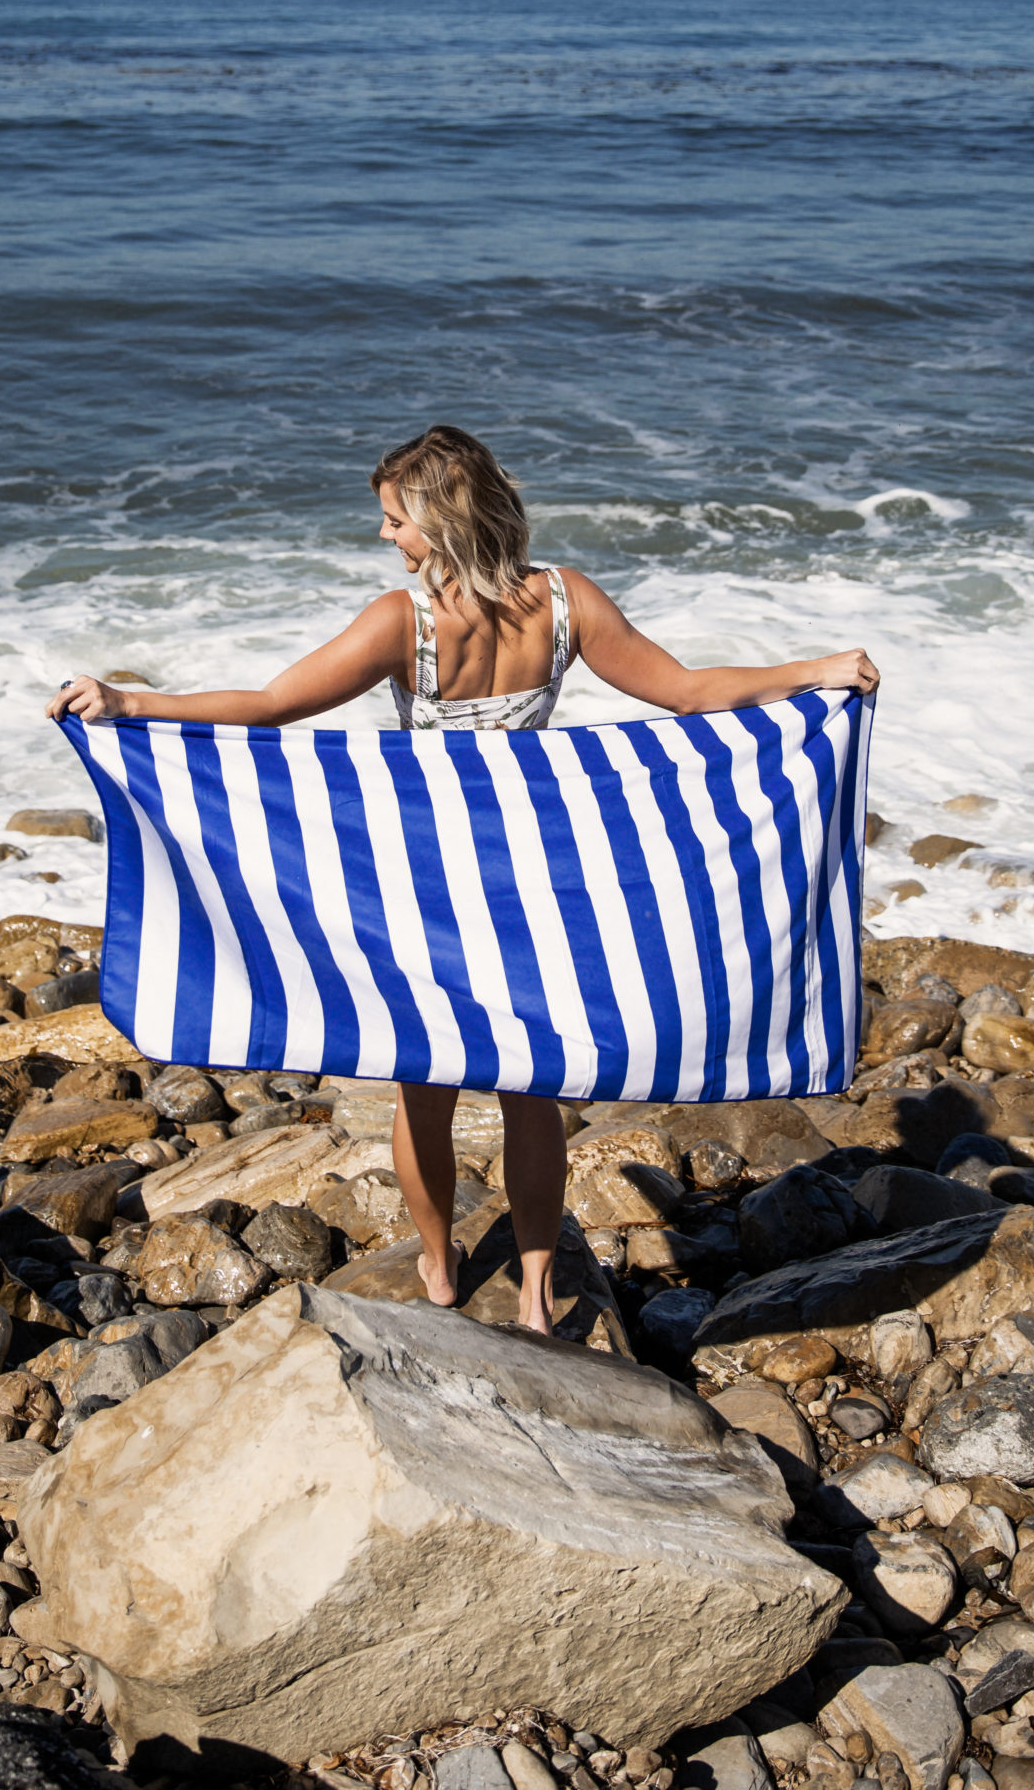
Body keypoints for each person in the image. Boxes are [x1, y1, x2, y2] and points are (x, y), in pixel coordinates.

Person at [48, 424, 879, 1337]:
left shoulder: (399, 624)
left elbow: (269, 708)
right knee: (532, 1090)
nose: (385, 539)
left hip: (428, 884)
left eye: (395, 521)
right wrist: (815, 674)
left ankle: (438, 1267)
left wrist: (129, 705)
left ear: (441, 523)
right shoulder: (566, 603)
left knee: (425, 1087)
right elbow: (685, 693)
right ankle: (534, 1295)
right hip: (532, 883)